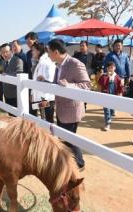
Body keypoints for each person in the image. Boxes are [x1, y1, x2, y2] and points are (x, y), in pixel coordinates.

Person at [47, 39, 91, 170]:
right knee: (65, 138)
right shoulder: (59, 65)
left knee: (69, 139)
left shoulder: (75, 63)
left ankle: (79, 163)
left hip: (71, 109)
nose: (48, 55)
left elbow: (87, 86)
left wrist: (69, 86)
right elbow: (58, 84)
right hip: (61, 109)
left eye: (49, 52)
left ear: (55, 52)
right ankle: (70, 162)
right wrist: (46, 81)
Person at [30, 42, 56, 123]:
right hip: (40, 97)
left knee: (48, 121)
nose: (32, 52)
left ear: (38, 51)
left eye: (33, 50)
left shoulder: (46, 62)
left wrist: (45, 99)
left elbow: (51, 80)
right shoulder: (41, 62)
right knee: (43, 120)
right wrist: (32, 94)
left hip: (45, 98)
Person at [98, 62, 123, 131]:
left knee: (111, 108)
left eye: (112, 67)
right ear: (107, 68)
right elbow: (100, 85)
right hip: (105, 95)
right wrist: (99, 93)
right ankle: (107, 123)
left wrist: (120, 94)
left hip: (113, 95)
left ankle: (112, 112)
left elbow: (120, 87)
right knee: (106, 109)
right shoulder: (104, 76)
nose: (111, 69)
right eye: (109, 67)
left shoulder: (117, 77)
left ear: (115, 68)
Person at [0, 43, 23, 115]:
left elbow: (19, 73)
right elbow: (1, 72)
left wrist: (7, 75)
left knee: (17, 117)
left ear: (11, 51)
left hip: (15, 94)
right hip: (6, 93)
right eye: (2, 52)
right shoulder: (3, 62)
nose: (5, 54)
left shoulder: (18, 60)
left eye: (6, 51)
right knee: (10, 115)